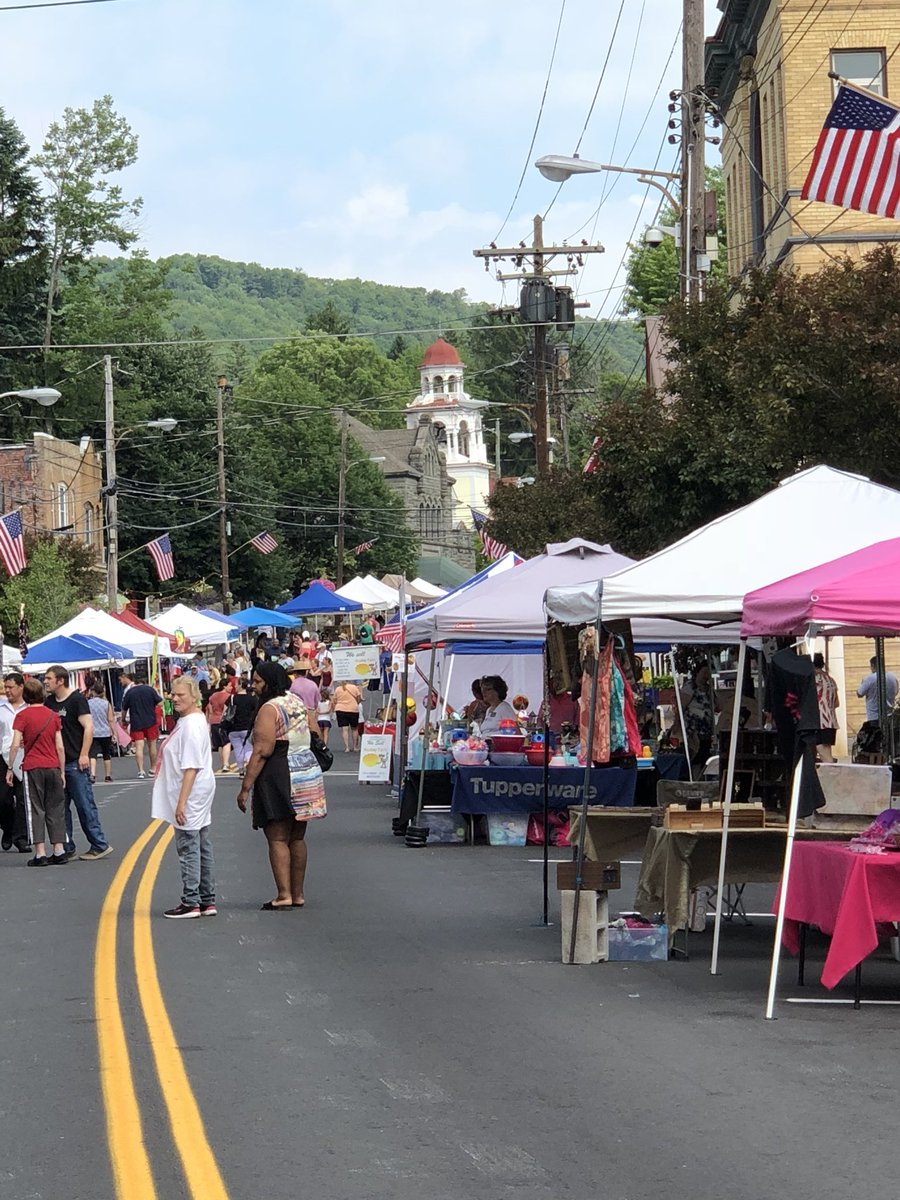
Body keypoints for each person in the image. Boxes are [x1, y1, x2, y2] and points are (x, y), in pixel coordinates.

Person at [236, 662, 325, 910]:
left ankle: (283, 894)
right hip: (306, 770)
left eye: (258, 681)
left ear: (270, 682)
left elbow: (263, 750)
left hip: (279, 772)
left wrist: (245, 787)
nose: (253, 687)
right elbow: (314, 731)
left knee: (277, 836)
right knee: (297, 837)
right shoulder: (296, 701)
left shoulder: (269, 708)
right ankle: (297, 894)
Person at [151, 675, 217, 918]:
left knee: (189, 844)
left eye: (181, 695)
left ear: (194, 696)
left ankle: (191, 901)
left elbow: (191, 766)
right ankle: (206, 899)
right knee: (201, 843)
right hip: (199, 789)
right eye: (173, 694)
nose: (174, 698)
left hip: (192, 790)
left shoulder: (190, 725)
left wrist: (181, 803)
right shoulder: (193, 719)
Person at [44, 666, 112, 861]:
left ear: (61, 680)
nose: (46, 681)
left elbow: (88, 727)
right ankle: (66, 846)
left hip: (75, 761)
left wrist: (84, 754)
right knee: (59, 807)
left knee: (84, 805)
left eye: (49, 678)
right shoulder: (49, 703)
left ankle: (99, 844)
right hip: (56, 763)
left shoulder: (77, 700)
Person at [10, 679, 67, 866]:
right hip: (52, 765)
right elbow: (60, 746)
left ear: (25, 695)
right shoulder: (53, 716)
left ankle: (40, 852)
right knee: (56, 807)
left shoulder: (22, 716)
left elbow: (15, 743)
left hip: (33, 766)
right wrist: (62, 770)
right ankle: (59, 849)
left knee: (35, 808)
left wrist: (10, 767)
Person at [0, 673, 29, 853]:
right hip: (3, 756)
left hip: (25, 755)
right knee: (3, 799)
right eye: (6, 687)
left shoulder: (29, 707)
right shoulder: (1, 708)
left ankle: (21, 837)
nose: (7, 691)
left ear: (20, 687)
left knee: (23, 799)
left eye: (11, 687)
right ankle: (8, 828)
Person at [120, 674, 163, 779]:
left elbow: (124, 709)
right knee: (152, 746)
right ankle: (153, 769)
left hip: (136, 722)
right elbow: (161, 702)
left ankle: (141, 771)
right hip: (150, 721)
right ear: (144, 681)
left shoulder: (130, 692)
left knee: (139, 747)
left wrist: (123, 719)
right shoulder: (150, 690)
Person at [680, 662, 719, 773]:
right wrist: (677, 725)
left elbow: (719, 707)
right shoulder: (690, 686)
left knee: (705, 754)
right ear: (697, 673)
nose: (706, 676)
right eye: (704, 672)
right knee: (695, 753)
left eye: (709, 673)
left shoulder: (708, 689)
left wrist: (712, 688)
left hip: (706, 729)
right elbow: (681, 706)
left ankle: (701, 775)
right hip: (693, 729)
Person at [226, 675, 256, 775]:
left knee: (238, 749)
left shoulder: (232, 698)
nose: (235, 686)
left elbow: (225, 712)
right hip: (247, 727)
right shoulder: (252, 699)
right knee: (248, 748)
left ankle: (240, 769)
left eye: (236, 684)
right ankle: (249, 765)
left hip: (233, 728)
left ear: (240, 685)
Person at [814, 652, 840, 763]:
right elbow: (836, 703)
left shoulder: (814, 680)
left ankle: (832, 776)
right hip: (831, 721)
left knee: (824, 754)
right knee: (826, 751)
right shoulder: (830, 679)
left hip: (818, 721)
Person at [88, 683, 116, 784]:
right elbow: (111, 719)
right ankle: (107, 776)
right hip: (105, 732)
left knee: (92, 754)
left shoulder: (88, 703)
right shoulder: (106, 703)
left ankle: (93, 774)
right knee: (106, 754)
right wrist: (114, 733)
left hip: (93, 732)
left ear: (93, 691)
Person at [205, 675, 233, 773]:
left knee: (220, 744)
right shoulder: (228, 697)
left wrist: (208, 720)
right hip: (222, 721)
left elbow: (209, 708)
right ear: (224, 686)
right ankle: (226, 764)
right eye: (230, 686)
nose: (231, 687)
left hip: (213, 721)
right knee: (226, 742)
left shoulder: (213, 696)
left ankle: (223, 763)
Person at [332, 678, 363, 752]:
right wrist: (356, 703)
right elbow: (359, 698)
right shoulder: (354, 687)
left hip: (341, 709)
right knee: (354, 728)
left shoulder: (338, 689)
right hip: (353, 709)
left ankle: (347, 747)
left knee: (344, 729)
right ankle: (355, 746)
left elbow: (334, 700)